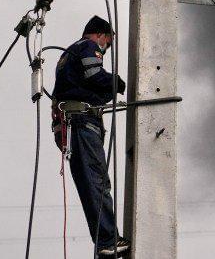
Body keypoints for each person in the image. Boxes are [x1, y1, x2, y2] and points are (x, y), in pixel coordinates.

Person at [51, 15, 130, 256]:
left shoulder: (66, 56)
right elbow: (95, 76)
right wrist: (116, 82)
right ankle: (107, 240)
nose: (106, 48)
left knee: (91, 182)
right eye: (108, 41)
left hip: (73, 124)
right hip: (83, 123)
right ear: (100, 35)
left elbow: (61, 94)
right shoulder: (88, 46)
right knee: (96, 182)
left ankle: (105, 240)